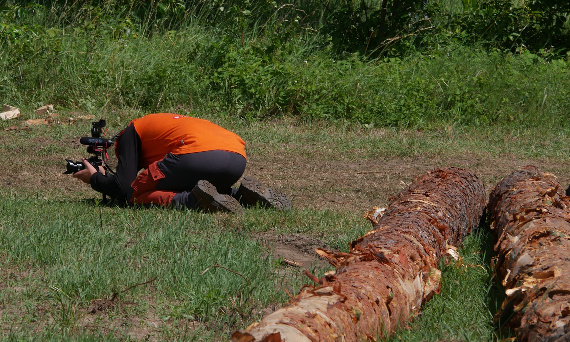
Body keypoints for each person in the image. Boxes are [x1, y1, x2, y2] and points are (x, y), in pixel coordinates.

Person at [72, 113, 291, 213]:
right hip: (236, 158)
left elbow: (122, 187)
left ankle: (191, 201)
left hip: (195, 155)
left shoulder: (131, 132)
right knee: (179, 179)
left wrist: (95, 178)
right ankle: (240, 196)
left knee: (134, 194)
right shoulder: (163, 123)